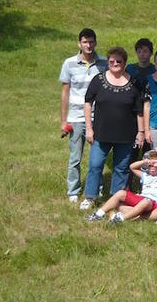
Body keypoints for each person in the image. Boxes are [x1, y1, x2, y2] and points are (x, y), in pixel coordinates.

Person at [81, 46, 145, 211]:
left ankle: (116, 198)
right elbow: (88, 103)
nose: (115, 63)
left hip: (126, 135)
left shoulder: (134, 83)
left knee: (121, 168)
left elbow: (139, 110)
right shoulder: (98, 80)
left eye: (119, 61)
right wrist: (89, 128)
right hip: (101, 134)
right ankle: (90, 197)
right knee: (95, 165)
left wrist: (141, 132)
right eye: (112, 61)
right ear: (108, 62)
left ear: (125, 63)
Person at [59, 28, 107, 203]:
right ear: (79, 43)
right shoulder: (69, 63)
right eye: (85, 42)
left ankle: (98, 188)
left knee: (98, 157)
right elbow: (65, 93)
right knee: (75, 157)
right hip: (77, 116)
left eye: (92, 41)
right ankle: (73, 190)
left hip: (98, 116)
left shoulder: (104, 63)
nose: (89, 45)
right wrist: (64, 120)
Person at [85, 150, 157, 224]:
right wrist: (144, 161)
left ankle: (121, 218)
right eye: (150, 165)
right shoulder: (145, 175)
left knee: (146, 202)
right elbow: (132, 167)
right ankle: (98, 214)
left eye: (155, 165)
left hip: (153, 203)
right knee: (120, 194)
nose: (152, 167)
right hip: (141, 199)